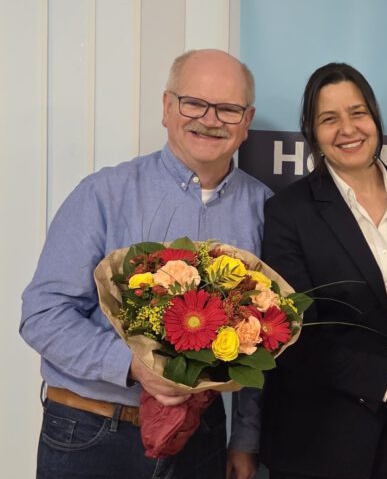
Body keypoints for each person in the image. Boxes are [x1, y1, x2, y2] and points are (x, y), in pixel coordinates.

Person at [20, 49, 272, 479]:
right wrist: (135, 367)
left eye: (228, 109)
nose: (210, 120)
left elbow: (264, 337)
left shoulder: (265, 208)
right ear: (166, 107)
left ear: (246, 122)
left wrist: (245, 440)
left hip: (202, 438)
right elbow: (43, 316)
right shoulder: (103, 194)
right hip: (92, 433)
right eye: (194, 102)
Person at [250, 62, 387, 479]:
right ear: (313, 134)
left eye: (358, 113)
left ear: (375, 118)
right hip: (320, 443)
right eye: (329, 119)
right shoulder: (288, 212)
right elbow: (292, 335)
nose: (348, 129)